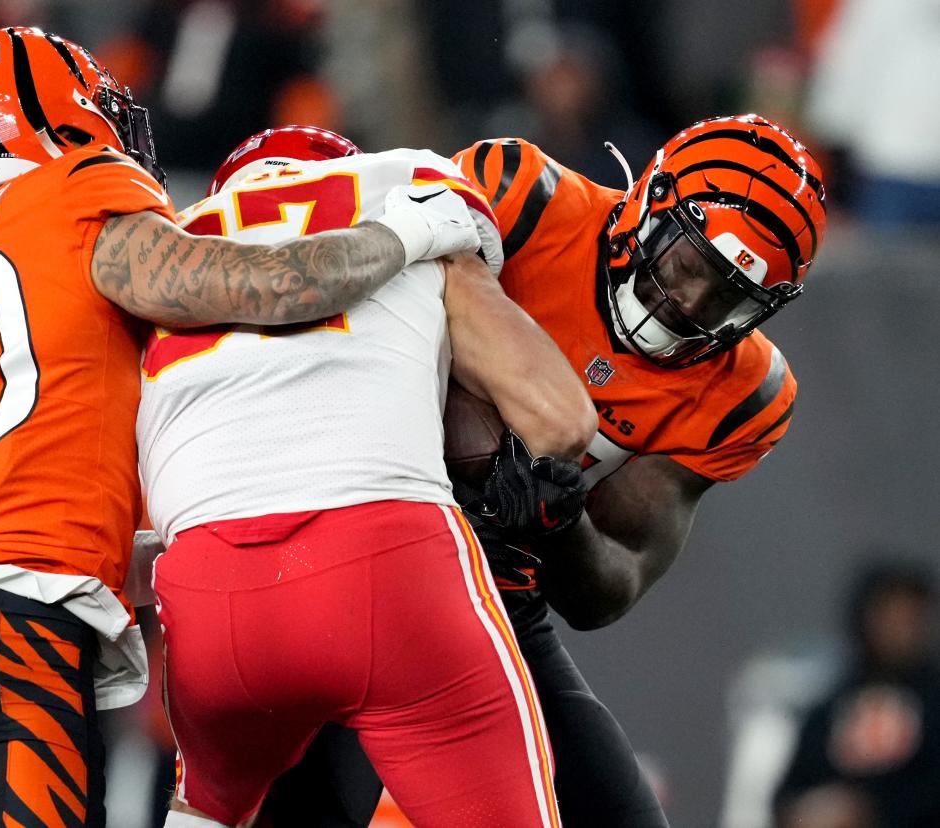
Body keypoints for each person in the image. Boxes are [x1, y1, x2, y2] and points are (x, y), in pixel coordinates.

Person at [0, 28, 484, 827]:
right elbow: (262, 287)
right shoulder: (73, 192)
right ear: (47, 114)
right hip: (7, 649)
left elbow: (38, 487)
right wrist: (408, 234)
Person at [261, 114, 828, 827]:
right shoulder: (524, 197)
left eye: (728, 299)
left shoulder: (743, 394)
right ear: (650, 202)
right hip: (355, 543)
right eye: (689, 265)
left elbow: (606, 590)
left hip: (495, 592)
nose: (690, 303)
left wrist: (561, 525)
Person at [138, 125, 597, 828]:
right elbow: (560, 419)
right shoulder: (410, 198)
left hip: (209, 594)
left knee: (205, 808)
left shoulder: (163, 256)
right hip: (386, 562)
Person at [774, 560, 940, 828]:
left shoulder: (932, 704)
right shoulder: (832, 707)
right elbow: (790, 791)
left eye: (910, 616)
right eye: (889, 614)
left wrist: (871, 812)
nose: (900, 628)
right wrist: (809, 810)